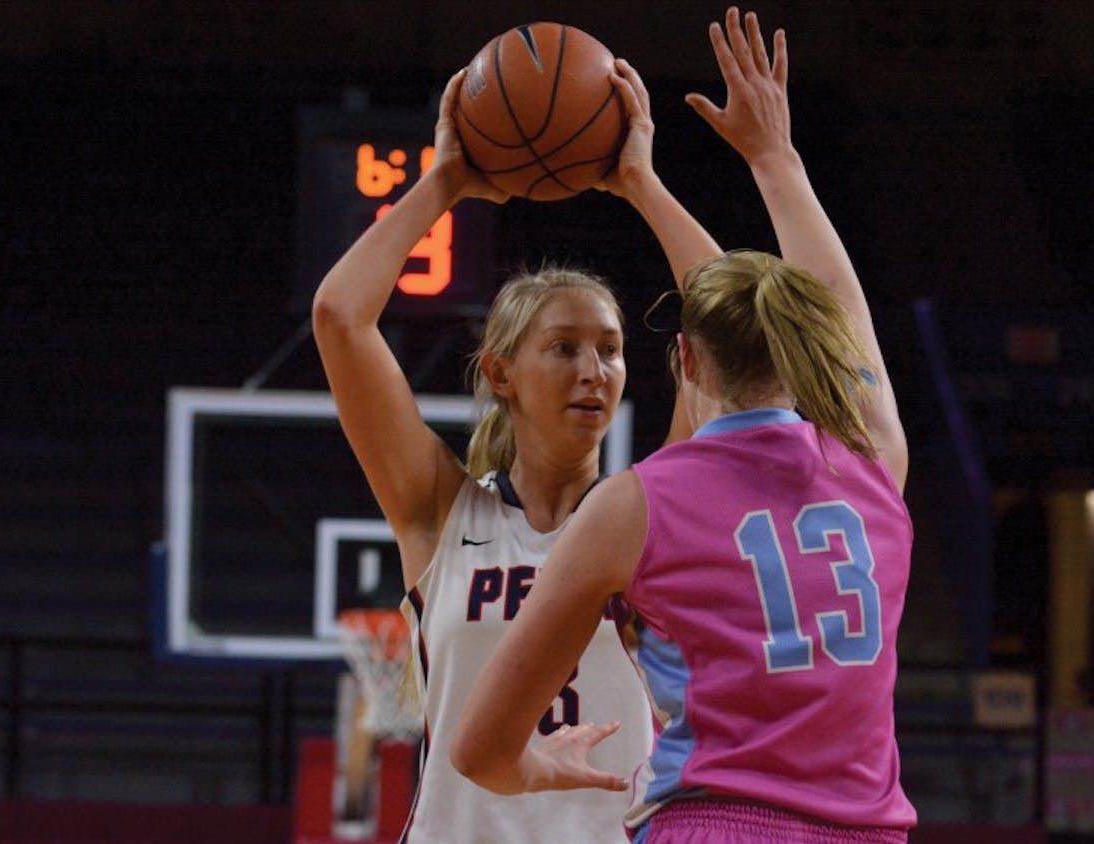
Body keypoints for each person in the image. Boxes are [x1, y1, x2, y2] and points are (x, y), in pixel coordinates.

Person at [451, 9, 917, 843]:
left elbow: (481, 748)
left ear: (688, 368)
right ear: (812, 347)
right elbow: (845, 313)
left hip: (713, 824)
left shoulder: (631, 507)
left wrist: (531, 767)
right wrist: (775, 157)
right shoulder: (873, 462)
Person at [312, 54, 724, 843]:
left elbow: (731, 325)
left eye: (609, 350)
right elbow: (339, 316)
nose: (593, 372)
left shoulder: (648, 515)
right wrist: (444, 183)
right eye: (564, 348)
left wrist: (641, 183)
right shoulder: (441, 511)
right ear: (500, 372)